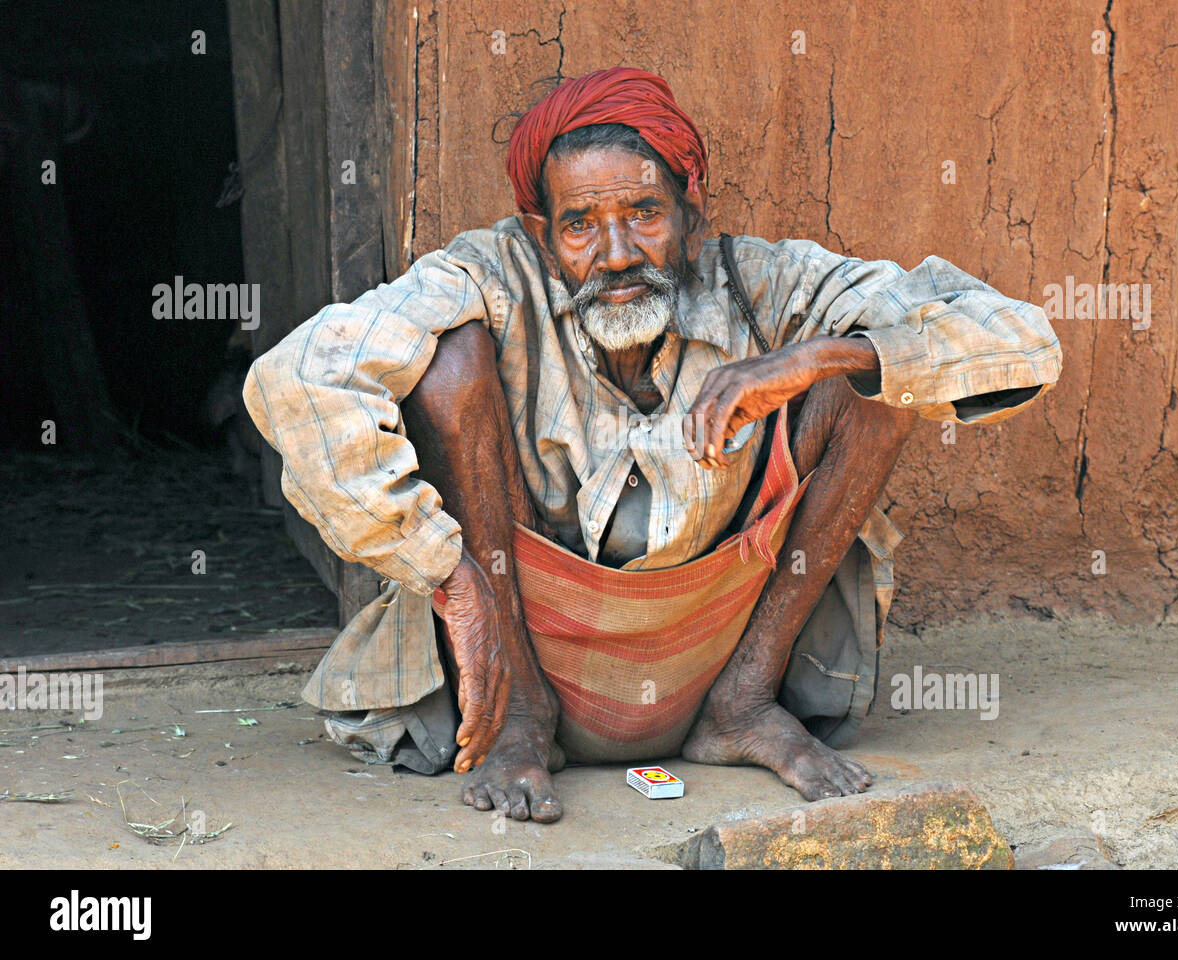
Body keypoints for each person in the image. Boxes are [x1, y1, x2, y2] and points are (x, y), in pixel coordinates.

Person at [244, 66, 1063, 823]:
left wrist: (815, 357)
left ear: (692, 208)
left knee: (880, 375)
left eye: (643, 214)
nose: (616, 255)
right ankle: (522, 721)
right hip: (521, 656)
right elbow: (297, 379)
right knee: (448, 363)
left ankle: (744, 704)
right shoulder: (491, 274)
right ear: (538, 230)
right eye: (579, 226)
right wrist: (448, 576)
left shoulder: (762, 282)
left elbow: (1018, 337)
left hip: (715, 649)